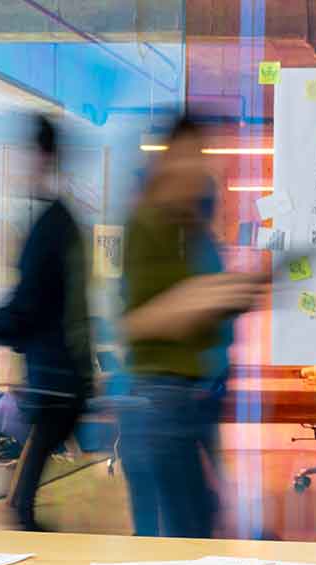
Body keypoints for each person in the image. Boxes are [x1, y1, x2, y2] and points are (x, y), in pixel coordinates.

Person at [118, 117, 267, 538]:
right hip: (160, 401)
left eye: (203, 157)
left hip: (199, 396)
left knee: (199, 530)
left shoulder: (194, 230)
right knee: (172, 542)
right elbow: (136, 321)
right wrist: (205, 297)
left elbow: (204, 308)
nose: (200, 168)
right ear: (168, 161)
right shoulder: (146, 225)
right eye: (191, 156)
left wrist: (235, 295)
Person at [0, 114, 91, 531]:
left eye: (22, 155)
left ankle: (32, 543)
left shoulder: (53, 225)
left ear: (42, 157)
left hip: (58, 376)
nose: (15, 166)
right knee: (22, 495)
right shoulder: (59, 221)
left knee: (21, 498)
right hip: (58, 373)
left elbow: (29, 303)